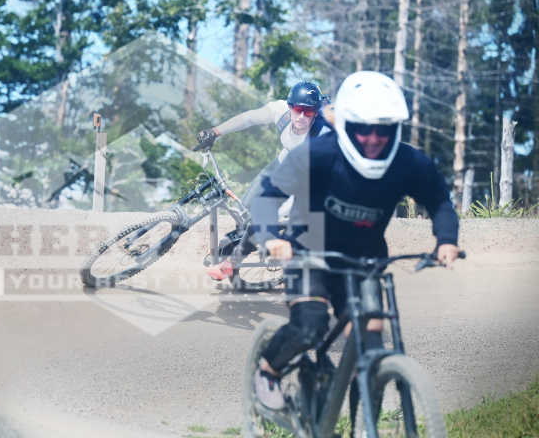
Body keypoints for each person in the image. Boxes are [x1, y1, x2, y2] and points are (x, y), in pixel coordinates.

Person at [247, 71, 460, 410]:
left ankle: (364, 425)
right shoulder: (319, 153)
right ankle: (268, 371)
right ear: (346, 124)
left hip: (365, 261)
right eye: (363, 128)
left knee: (371, 347)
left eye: (383, 129)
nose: (374, 138)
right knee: (310, 327)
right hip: (308, 253)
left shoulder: (408, 163)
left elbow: (439, 201)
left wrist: (446, 239)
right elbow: (267, 194)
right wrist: (271, 238)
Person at [194, 81, 333, 281]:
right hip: (284, 162)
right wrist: (215, 132)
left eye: (309, 112)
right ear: (289, 106)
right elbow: (248, 118)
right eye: (297, 110)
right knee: (245, 209)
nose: (302, 117)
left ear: (316, 112)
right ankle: (241, 241)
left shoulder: (323, 135)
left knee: (269, 214)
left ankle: (232, 262)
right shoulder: (280, 111)